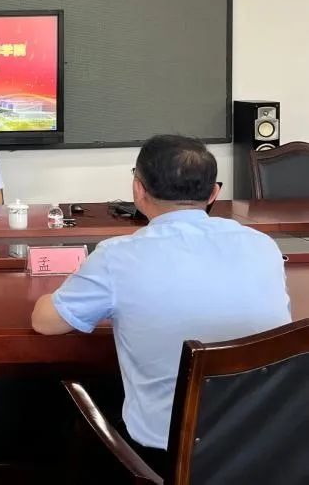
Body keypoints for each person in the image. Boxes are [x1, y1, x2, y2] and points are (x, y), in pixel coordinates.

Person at [31, 135, 290, 472]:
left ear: (138, 189)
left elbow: (46, 322)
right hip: (271, 446)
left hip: (169, 455)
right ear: (214, 193)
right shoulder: (262, 245)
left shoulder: (118, 256)